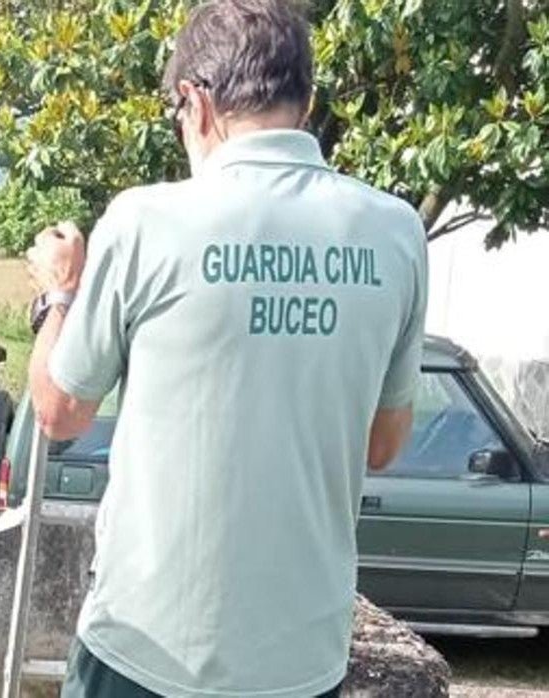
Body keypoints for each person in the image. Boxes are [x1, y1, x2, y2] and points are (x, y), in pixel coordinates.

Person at [24, 1, 428, 695]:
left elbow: (60, 413)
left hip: (145, 651)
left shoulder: (145, 221)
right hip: (302, 661)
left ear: (196, 101)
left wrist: (61, 294)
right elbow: (382, 445)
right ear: (305, 102)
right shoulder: (395, 234)